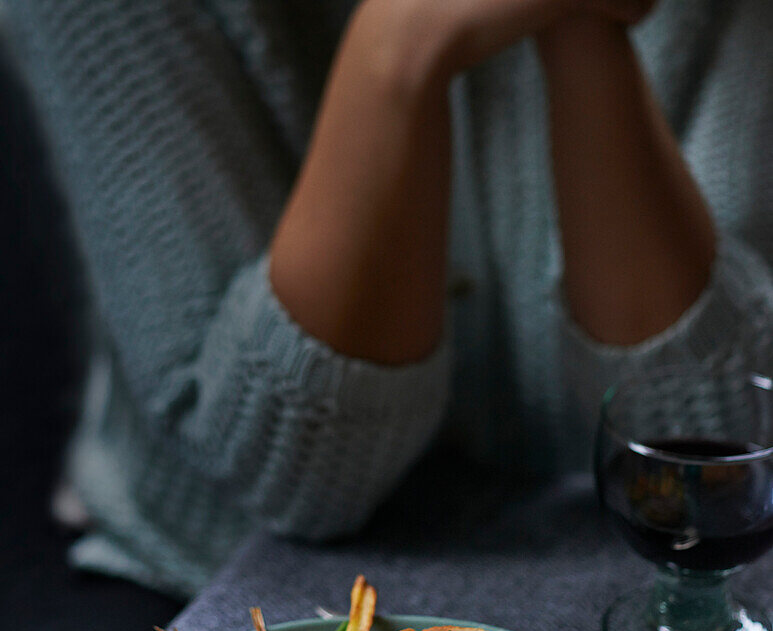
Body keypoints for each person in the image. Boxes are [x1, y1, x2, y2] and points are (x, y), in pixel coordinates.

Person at [5, 0, 772, 598]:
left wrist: (580, 24)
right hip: (208, 578)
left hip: (611, 557)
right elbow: (292, 480)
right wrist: (396, 51)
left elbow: (703, 454)